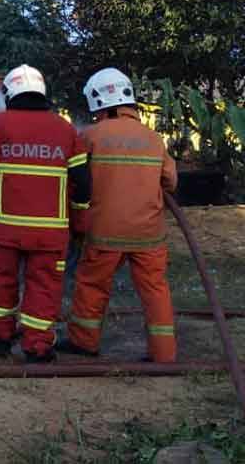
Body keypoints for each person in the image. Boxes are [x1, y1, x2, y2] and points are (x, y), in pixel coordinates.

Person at [57, 68, 178, 362]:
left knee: (93, 285)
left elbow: (74, 179)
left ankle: (84, 343)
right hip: (149, 234)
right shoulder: (153, 138)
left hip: (104, 231)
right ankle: (164, 353)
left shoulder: (90, 136)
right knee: (155, 291)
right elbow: (171, 182)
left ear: (99, 100)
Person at [0, 64, 91, 362]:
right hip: (49, 230)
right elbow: (83, 180)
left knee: (1, 280)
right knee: (44, 286)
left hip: (5, 227)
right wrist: (80, 217)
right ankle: (37, 347)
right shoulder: (65, 129)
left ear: (9, 92)